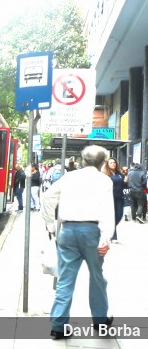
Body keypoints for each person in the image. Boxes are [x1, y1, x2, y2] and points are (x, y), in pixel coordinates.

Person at [41, 145, 114, 340]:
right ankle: (100, 321)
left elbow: (47, 198)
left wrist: (51, 226)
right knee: (97, 277)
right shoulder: (104, 180)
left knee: (65, 279)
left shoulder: (68, 177)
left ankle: (58, 325)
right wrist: (106, 237)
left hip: (68, 232)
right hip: (92, 231)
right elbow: (107, 210)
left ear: (83, 160)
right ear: (102, 162)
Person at [102, 157, 125, 241]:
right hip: (110, 198)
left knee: (119, 215)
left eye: (114, 162)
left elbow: (123, 185)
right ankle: (113, 236)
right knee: (112, 216)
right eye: (111, 163)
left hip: (120, 198)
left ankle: (110, 230)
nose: (113, 164)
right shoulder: (105, 174)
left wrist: (126, 181)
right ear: (107, 164)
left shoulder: (119, 174)